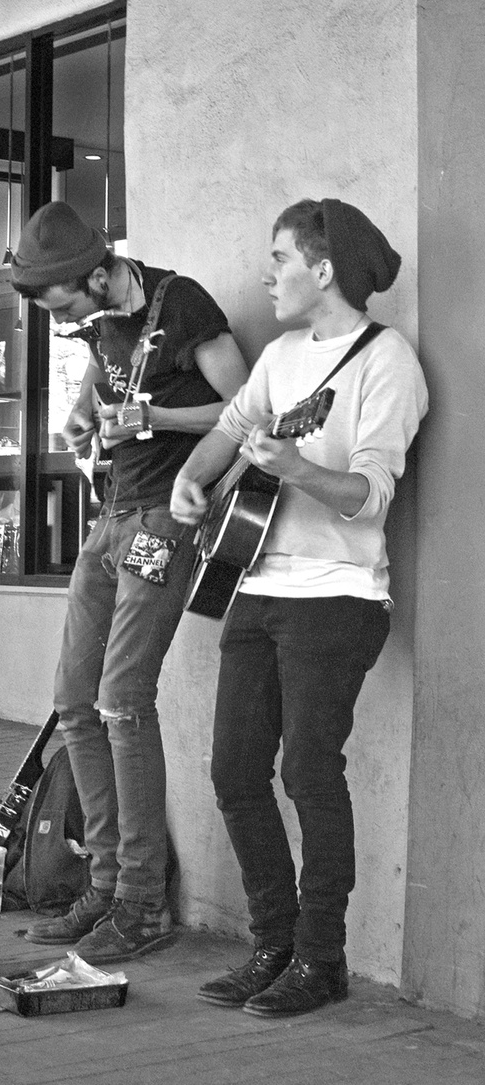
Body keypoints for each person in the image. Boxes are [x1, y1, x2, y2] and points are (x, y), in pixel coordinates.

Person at [170, 198, 428, 1017]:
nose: (265, 273)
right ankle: (273, 944)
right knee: (235, 772)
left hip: (337, 598)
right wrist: (195, 477)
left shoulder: (388, 364)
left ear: (322, 271)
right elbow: (235, 426)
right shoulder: (281, 357)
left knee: (309, 772)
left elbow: (370, 497)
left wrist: (296, 468)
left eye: (278, 258)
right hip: (255, 584)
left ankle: (322, 960)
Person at [10, 201, 248, 962]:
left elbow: (246, 408)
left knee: (121, 701)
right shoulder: (104, 322)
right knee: (74, 703)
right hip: (111, 515)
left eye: (68, 304)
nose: (66, 319)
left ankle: (143, 904)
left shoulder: (184, 304)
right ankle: (105, 886)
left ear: (103, 273)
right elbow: (101, 378)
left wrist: (158, 418)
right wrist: (82, 418)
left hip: (165, 523)